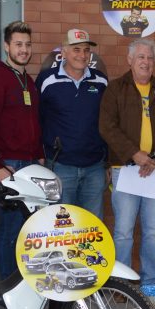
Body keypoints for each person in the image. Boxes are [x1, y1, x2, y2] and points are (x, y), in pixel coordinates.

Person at [99, 38, 155, 284]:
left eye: (149, 57)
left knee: (152, 234)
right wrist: (135, 154)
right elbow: (107, 126)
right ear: (130, 60)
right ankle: (122, 285)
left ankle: (150, 284)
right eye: (141, 57)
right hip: (125, 170)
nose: (146, 62)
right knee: (123, 233)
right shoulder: (116, 89)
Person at [0, 21, 41, 278]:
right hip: (10, 165)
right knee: (11, 232)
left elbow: (34, 121)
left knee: (28, 232)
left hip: (31, 164)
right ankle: (7, 287)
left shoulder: (28, 81)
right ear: (6, 46)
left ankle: (23, 284)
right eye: (18, 44)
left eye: (27, 44)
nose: (24, 50)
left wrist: (40, 156)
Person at [36, 29, 109, 218]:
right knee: (61, 225)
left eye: (86, 50)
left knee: (92, 226)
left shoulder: (100, 80)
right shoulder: (46, 80)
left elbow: (108, 122)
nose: (82, 55)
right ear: (64, 52)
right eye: (76, 49)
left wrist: (108, 161)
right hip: (60, 166)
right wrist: (40, 155)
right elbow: (36, 119)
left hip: (94, 168)